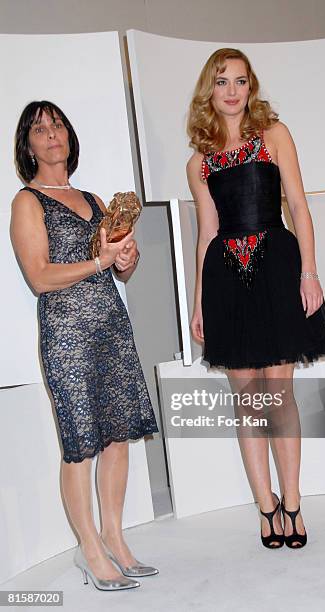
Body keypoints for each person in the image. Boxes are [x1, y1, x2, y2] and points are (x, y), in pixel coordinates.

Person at [186, 49, 325, 550]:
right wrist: (199, 302)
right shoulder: (199, 161)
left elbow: (297, 204)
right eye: (222, 81)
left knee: (280, 393)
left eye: (241, 81)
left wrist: (309, 272)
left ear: (251, 87)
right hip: (227, 279)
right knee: (247, 401)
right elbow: (206, 234)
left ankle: (293, 503)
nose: (232, 90)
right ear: (210, 89)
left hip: (276, 266)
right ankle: (265, 507)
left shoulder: (275, 135)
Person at [11, 101, 159, 590]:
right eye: (39, 129)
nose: (51, 134)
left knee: (117, 435)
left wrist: (126, 258)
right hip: (67, 333)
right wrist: (100, 264)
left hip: (111, 327)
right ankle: (89, 549)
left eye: (57, 125)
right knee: (80, 446)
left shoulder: (96, 199)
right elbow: (39, 276)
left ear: (69, 138)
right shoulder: (27, 202)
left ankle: (116, 539)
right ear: (28, 145)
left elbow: (122, 271)